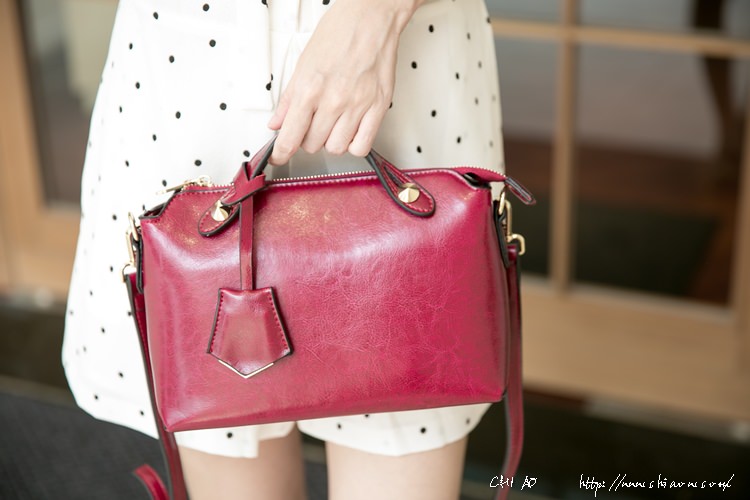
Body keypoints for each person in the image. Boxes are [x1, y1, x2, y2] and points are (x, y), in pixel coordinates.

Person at [62, 0, 505, 498]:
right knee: (221, 426)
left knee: (415, 387)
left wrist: (376, 14)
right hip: (190, 67)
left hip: (403, 48)